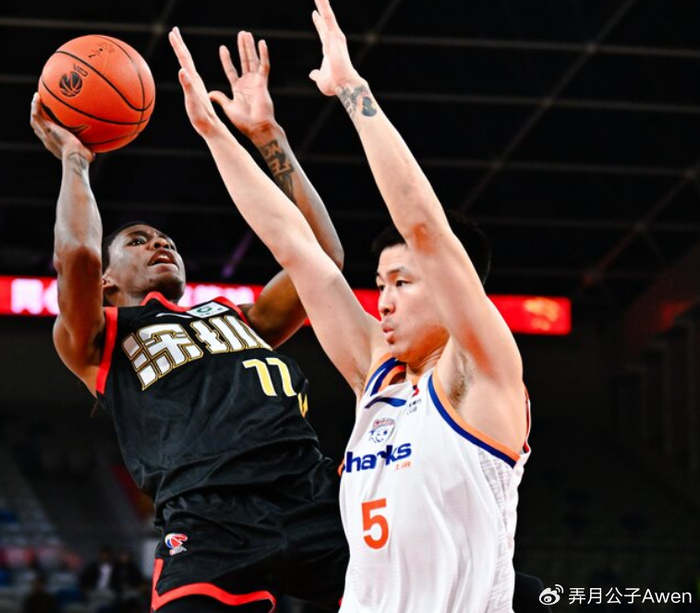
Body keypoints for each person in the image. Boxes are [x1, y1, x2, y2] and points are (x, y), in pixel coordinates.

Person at [168, 0, 530, 608]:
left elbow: (424, 228)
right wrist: (217, 134)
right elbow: (296, 248)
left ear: (452, 288)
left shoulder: (480, 372)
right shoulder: (378, 373)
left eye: (402, 284)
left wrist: (351, 90)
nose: (382, 302)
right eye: (380, 284)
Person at [30, 32, 349, 613]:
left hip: (312, 500)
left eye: (166, 240)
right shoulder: (101, 335)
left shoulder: (239, 317)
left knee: (468, 593)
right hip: (208, 523)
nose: (160, 243)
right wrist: (76, 159)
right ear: (107, 281)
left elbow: (323, 258)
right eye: (138, 240)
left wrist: (268, 136)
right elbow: (75, 253)